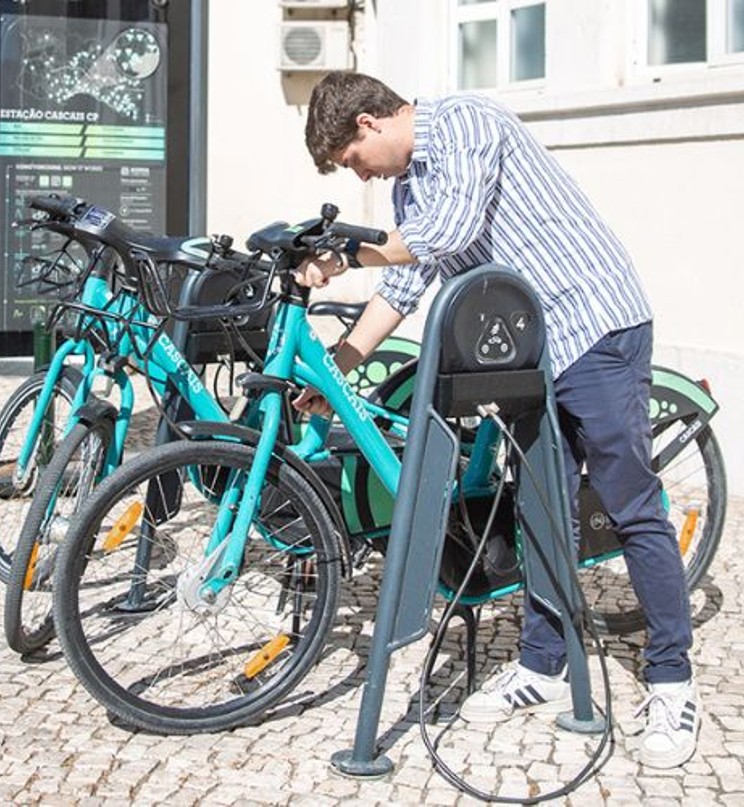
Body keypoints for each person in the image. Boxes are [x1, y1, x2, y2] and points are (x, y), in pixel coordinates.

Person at [294, 72, 700, 770]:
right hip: (535, 348)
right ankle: (543, 664)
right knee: (541, 506)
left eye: (351, 161)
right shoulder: (409, 189)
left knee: (630, 503)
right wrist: (342, 364)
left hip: (596, 324)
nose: (357, 175)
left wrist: (343, 256)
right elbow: (407, 280)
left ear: (367, 124)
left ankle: (672, 681)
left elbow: (444, 233)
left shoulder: (466, 123)